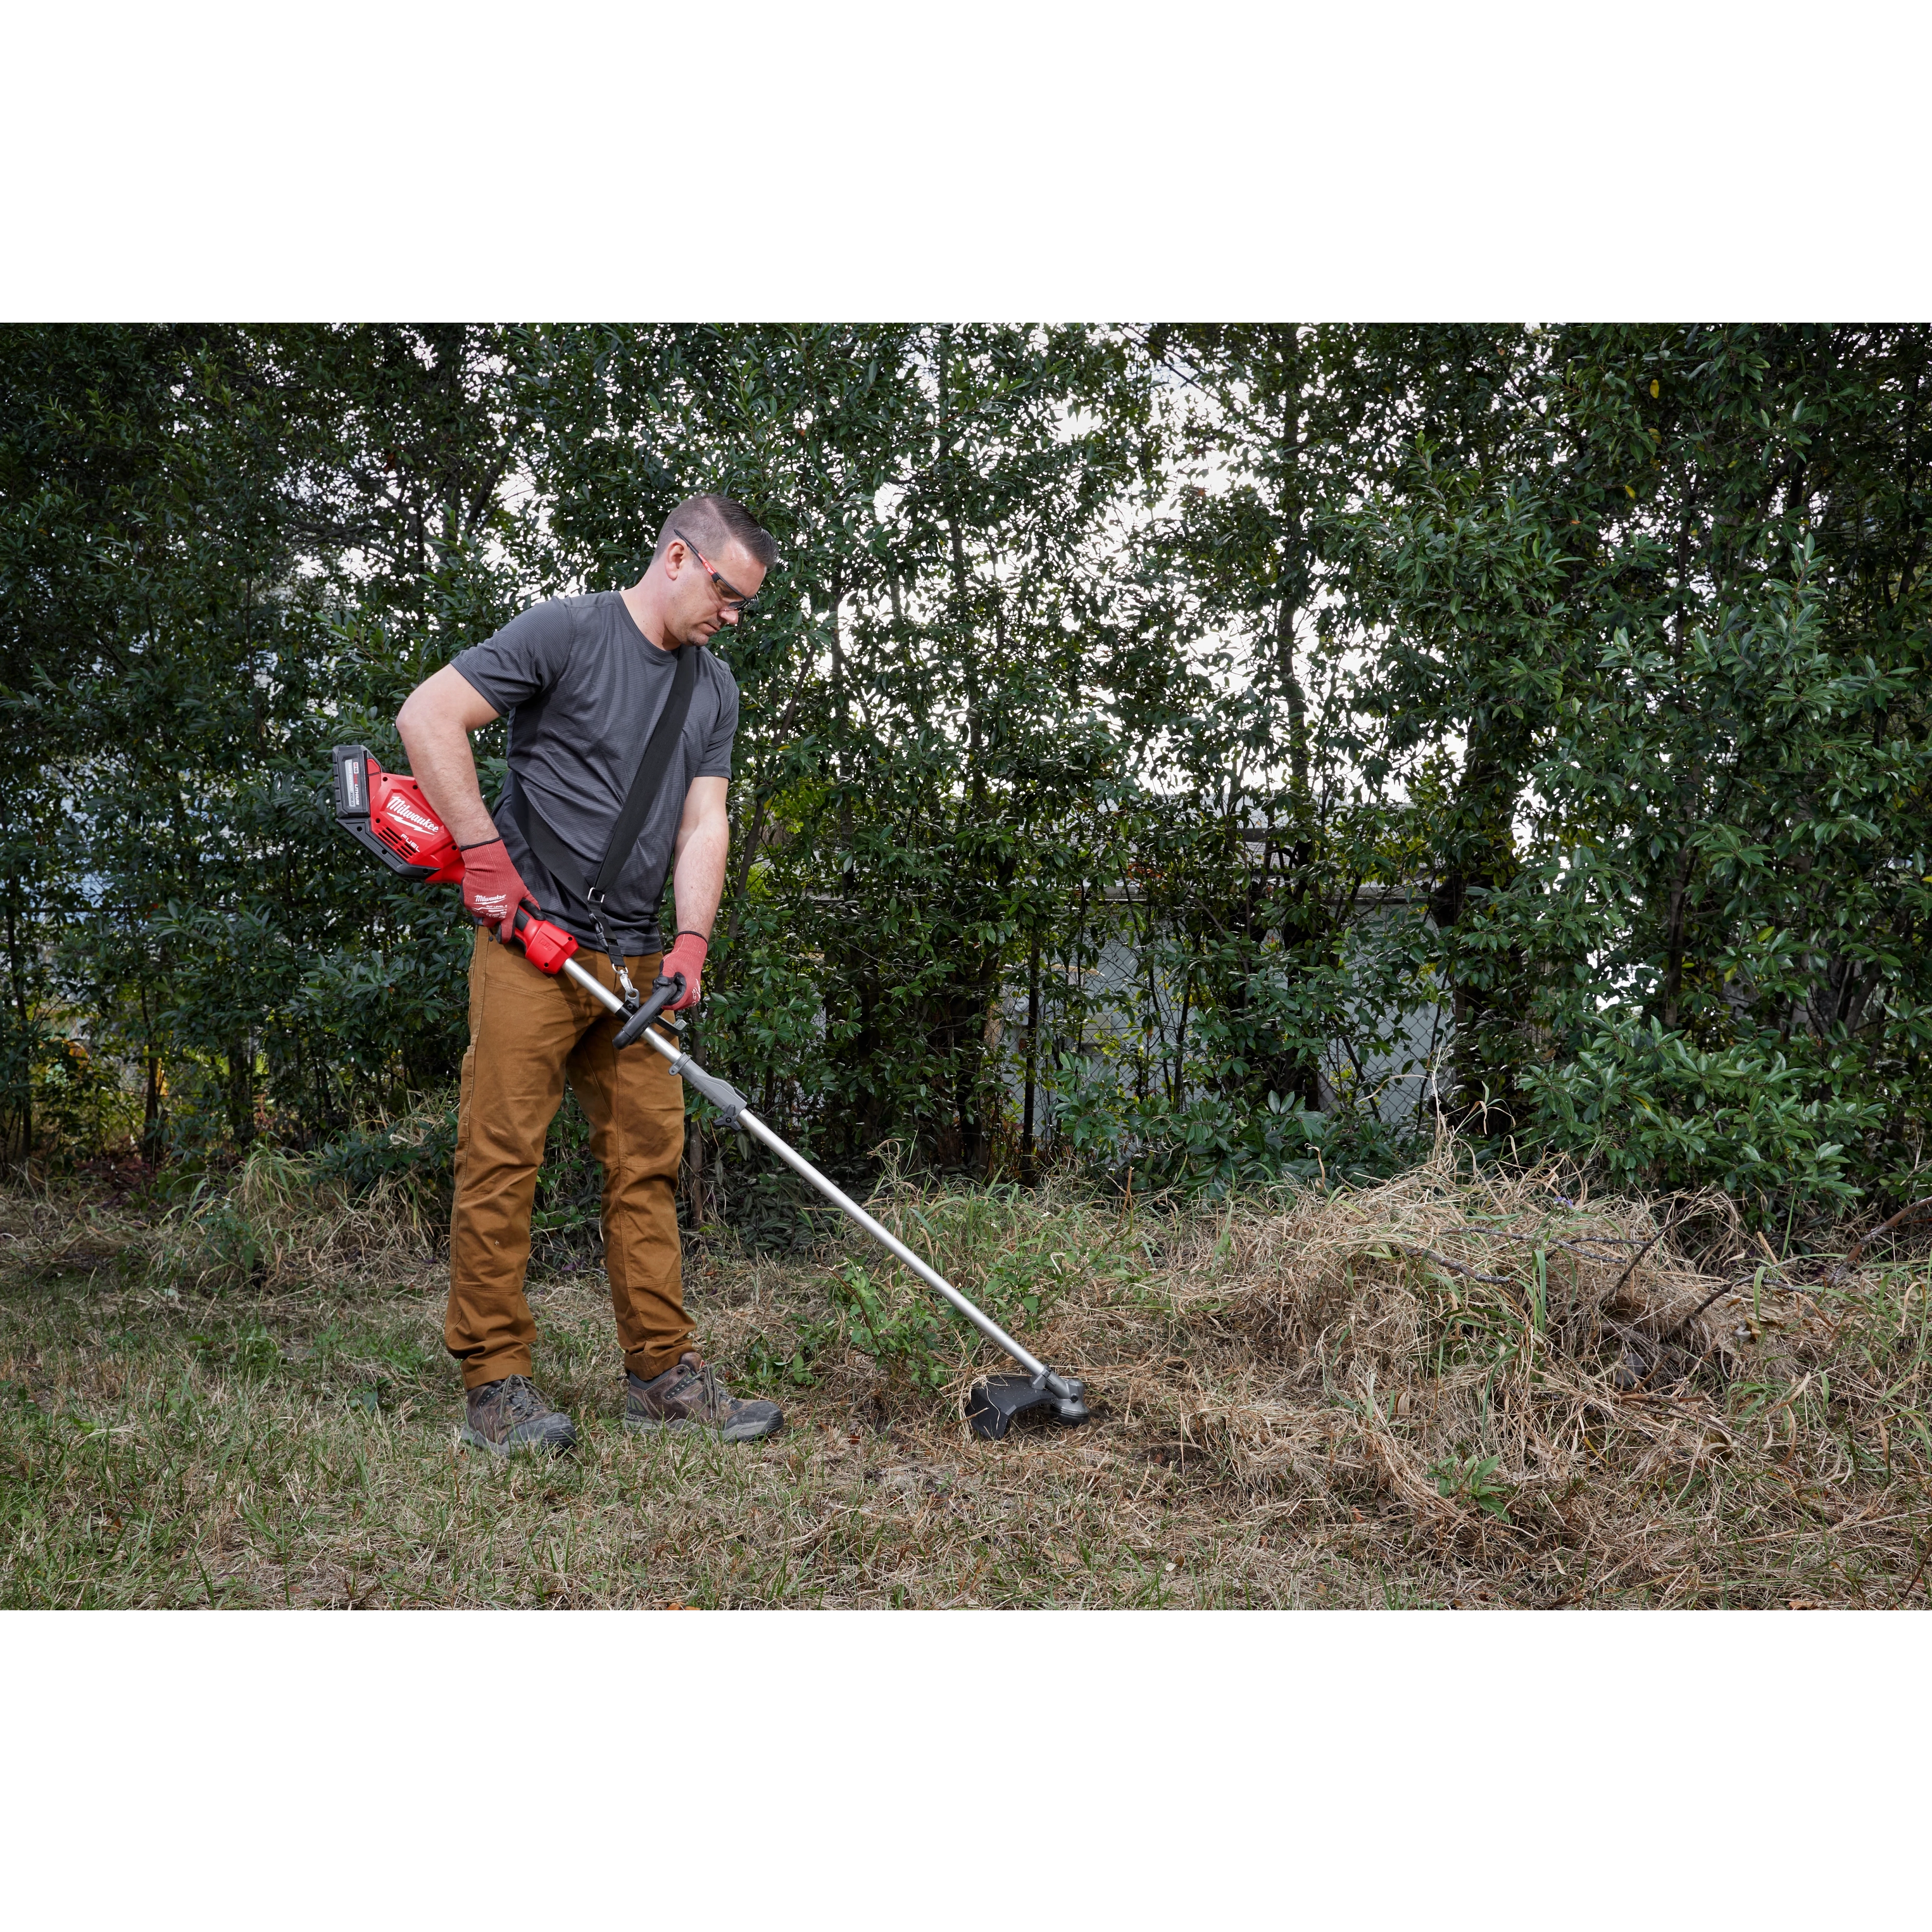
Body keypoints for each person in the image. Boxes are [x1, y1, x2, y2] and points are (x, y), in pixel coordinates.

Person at [396, 494, 784, 1457]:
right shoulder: (567, 631)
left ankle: (660, 1374)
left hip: (637, 958)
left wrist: (690, 943)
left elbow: (704, 821)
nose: (729, 617)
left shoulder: (714, 689)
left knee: (647, 1165)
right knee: (501, 1161)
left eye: (744, 605)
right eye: (725, 594)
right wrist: (485, 858)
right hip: (531, 947)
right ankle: (495, 1386)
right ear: (678, 557)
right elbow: (430, 714)